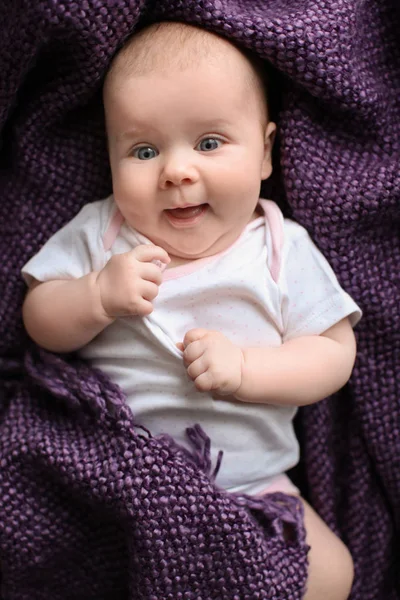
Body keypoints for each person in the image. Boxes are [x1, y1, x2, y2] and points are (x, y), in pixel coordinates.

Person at [21, 21, 361, 600]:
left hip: (252, 483)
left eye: (209, 143)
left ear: (265, 153)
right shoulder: (104, 235)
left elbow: (334, 354)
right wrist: (95, 297)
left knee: (333, 573)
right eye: (144, 150)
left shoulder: (280, 248)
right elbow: (39, 320)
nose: (177, 171)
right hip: (116, 469)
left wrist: (249, 370)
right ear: (110, 158)